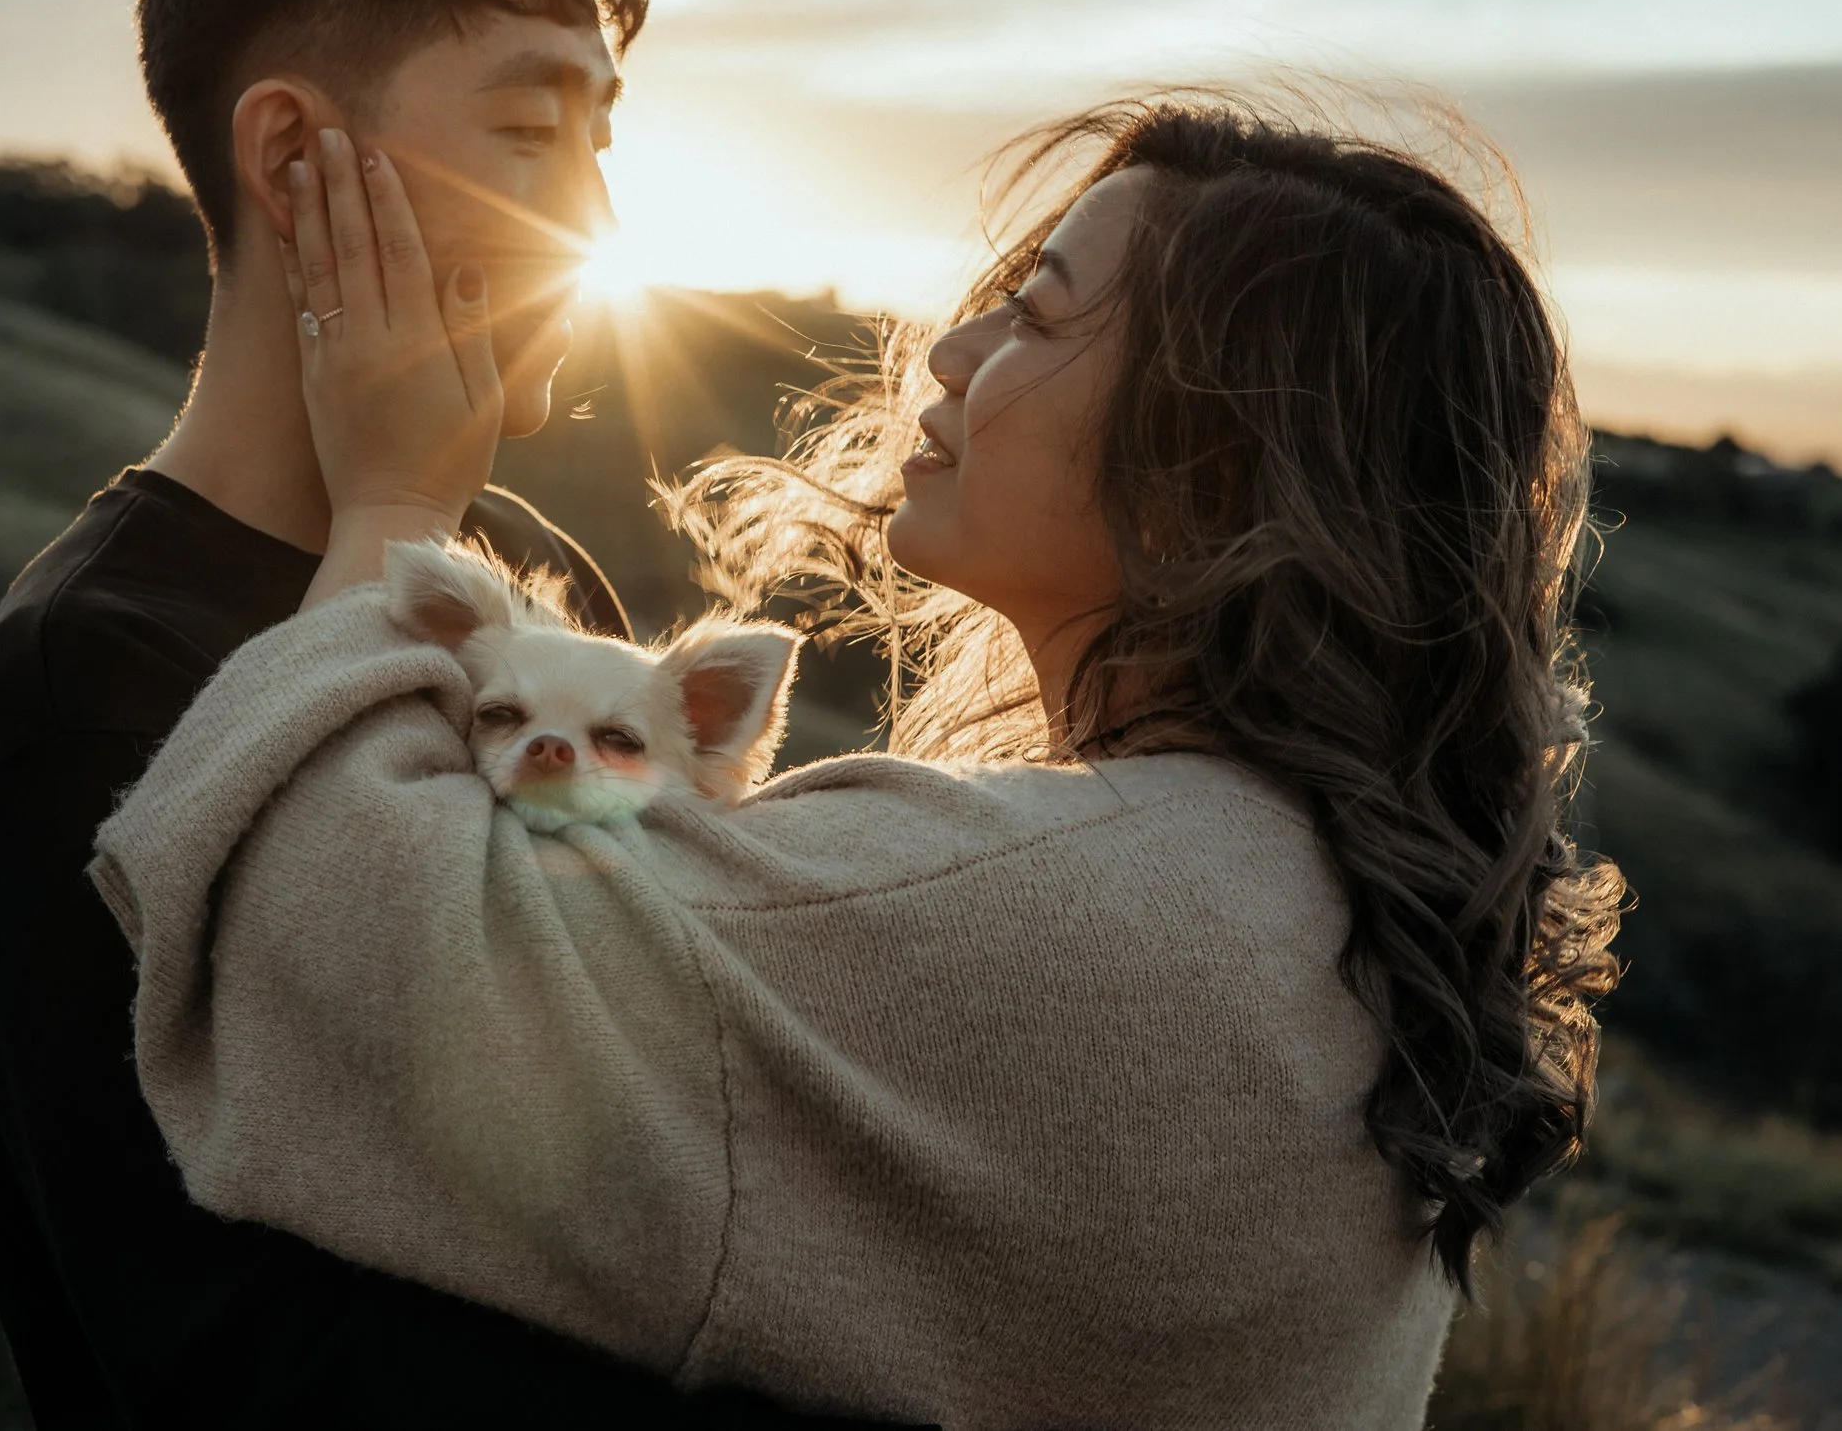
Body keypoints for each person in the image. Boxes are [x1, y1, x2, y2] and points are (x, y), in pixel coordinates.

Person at [89, 91, 1630, 1428]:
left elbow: (335, 927)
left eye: (1031, 314)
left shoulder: (1061, 909)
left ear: (1213, 466)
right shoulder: (1313, 901)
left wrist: (392, 503)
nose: (945, 350)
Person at [0, 0, 911, 1431]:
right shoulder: (85, 701)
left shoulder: (522, 573)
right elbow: (247, 1362)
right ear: (294, 160)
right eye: (528, 132)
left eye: (602, 141)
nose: (599, 221)